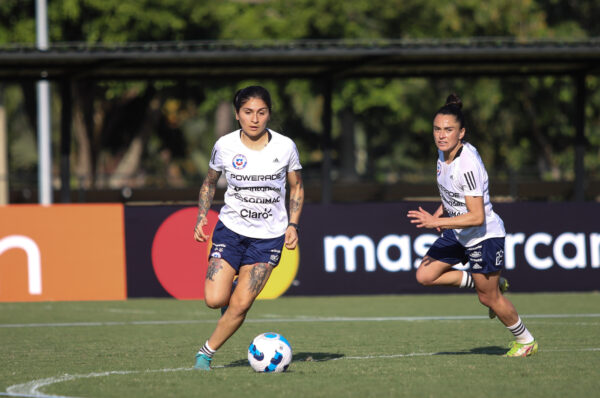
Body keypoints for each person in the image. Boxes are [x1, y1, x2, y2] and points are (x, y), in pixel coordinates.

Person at [407, 94, 538, 357]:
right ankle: (492, 283)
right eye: (437, 129)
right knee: (425, 275)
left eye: (448, 130)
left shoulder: (467, 165)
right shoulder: (444, 152)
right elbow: (452, 193)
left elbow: (477, 216)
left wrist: (437, 221)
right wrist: (441, 209)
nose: (441, 135)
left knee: (487, 298)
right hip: (459, 232)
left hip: (483, 235)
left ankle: (526, 341)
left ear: (461, 133)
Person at [192, 85, 304, 370]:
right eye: (248, 112)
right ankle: (229, 297)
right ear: (237, 114)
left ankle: (205, 353)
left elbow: (296, 187)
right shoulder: (225, 145)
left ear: (269, 114)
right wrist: (202, 216)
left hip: (268, 238)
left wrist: (293, 224)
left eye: (261, 112)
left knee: (241, 305)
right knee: (214, 299)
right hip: (230, 230)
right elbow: (209, 182)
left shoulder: (285, 146)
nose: (255, 119)